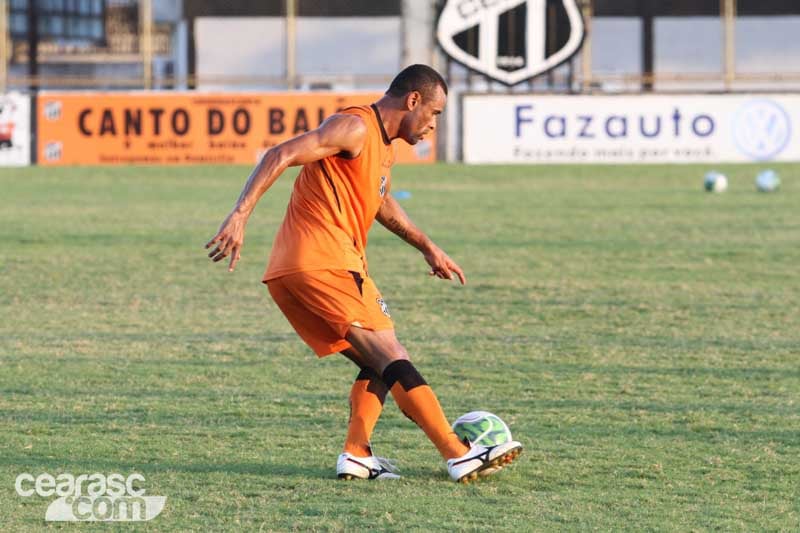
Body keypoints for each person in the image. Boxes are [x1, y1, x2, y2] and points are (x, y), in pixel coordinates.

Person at [205, 64, 521, 483]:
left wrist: (427, 246)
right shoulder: (354, 126)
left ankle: (357, 454)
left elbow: (381, 202)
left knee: (378, 363)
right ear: (413, 100)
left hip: (297, 269)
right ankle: (458, 452)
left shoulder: (382, 146)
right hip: (325, 263)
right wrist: (240, 214)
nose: (433, 124)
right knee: (393, 356)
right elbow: (279, 154)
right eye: (435, 113)